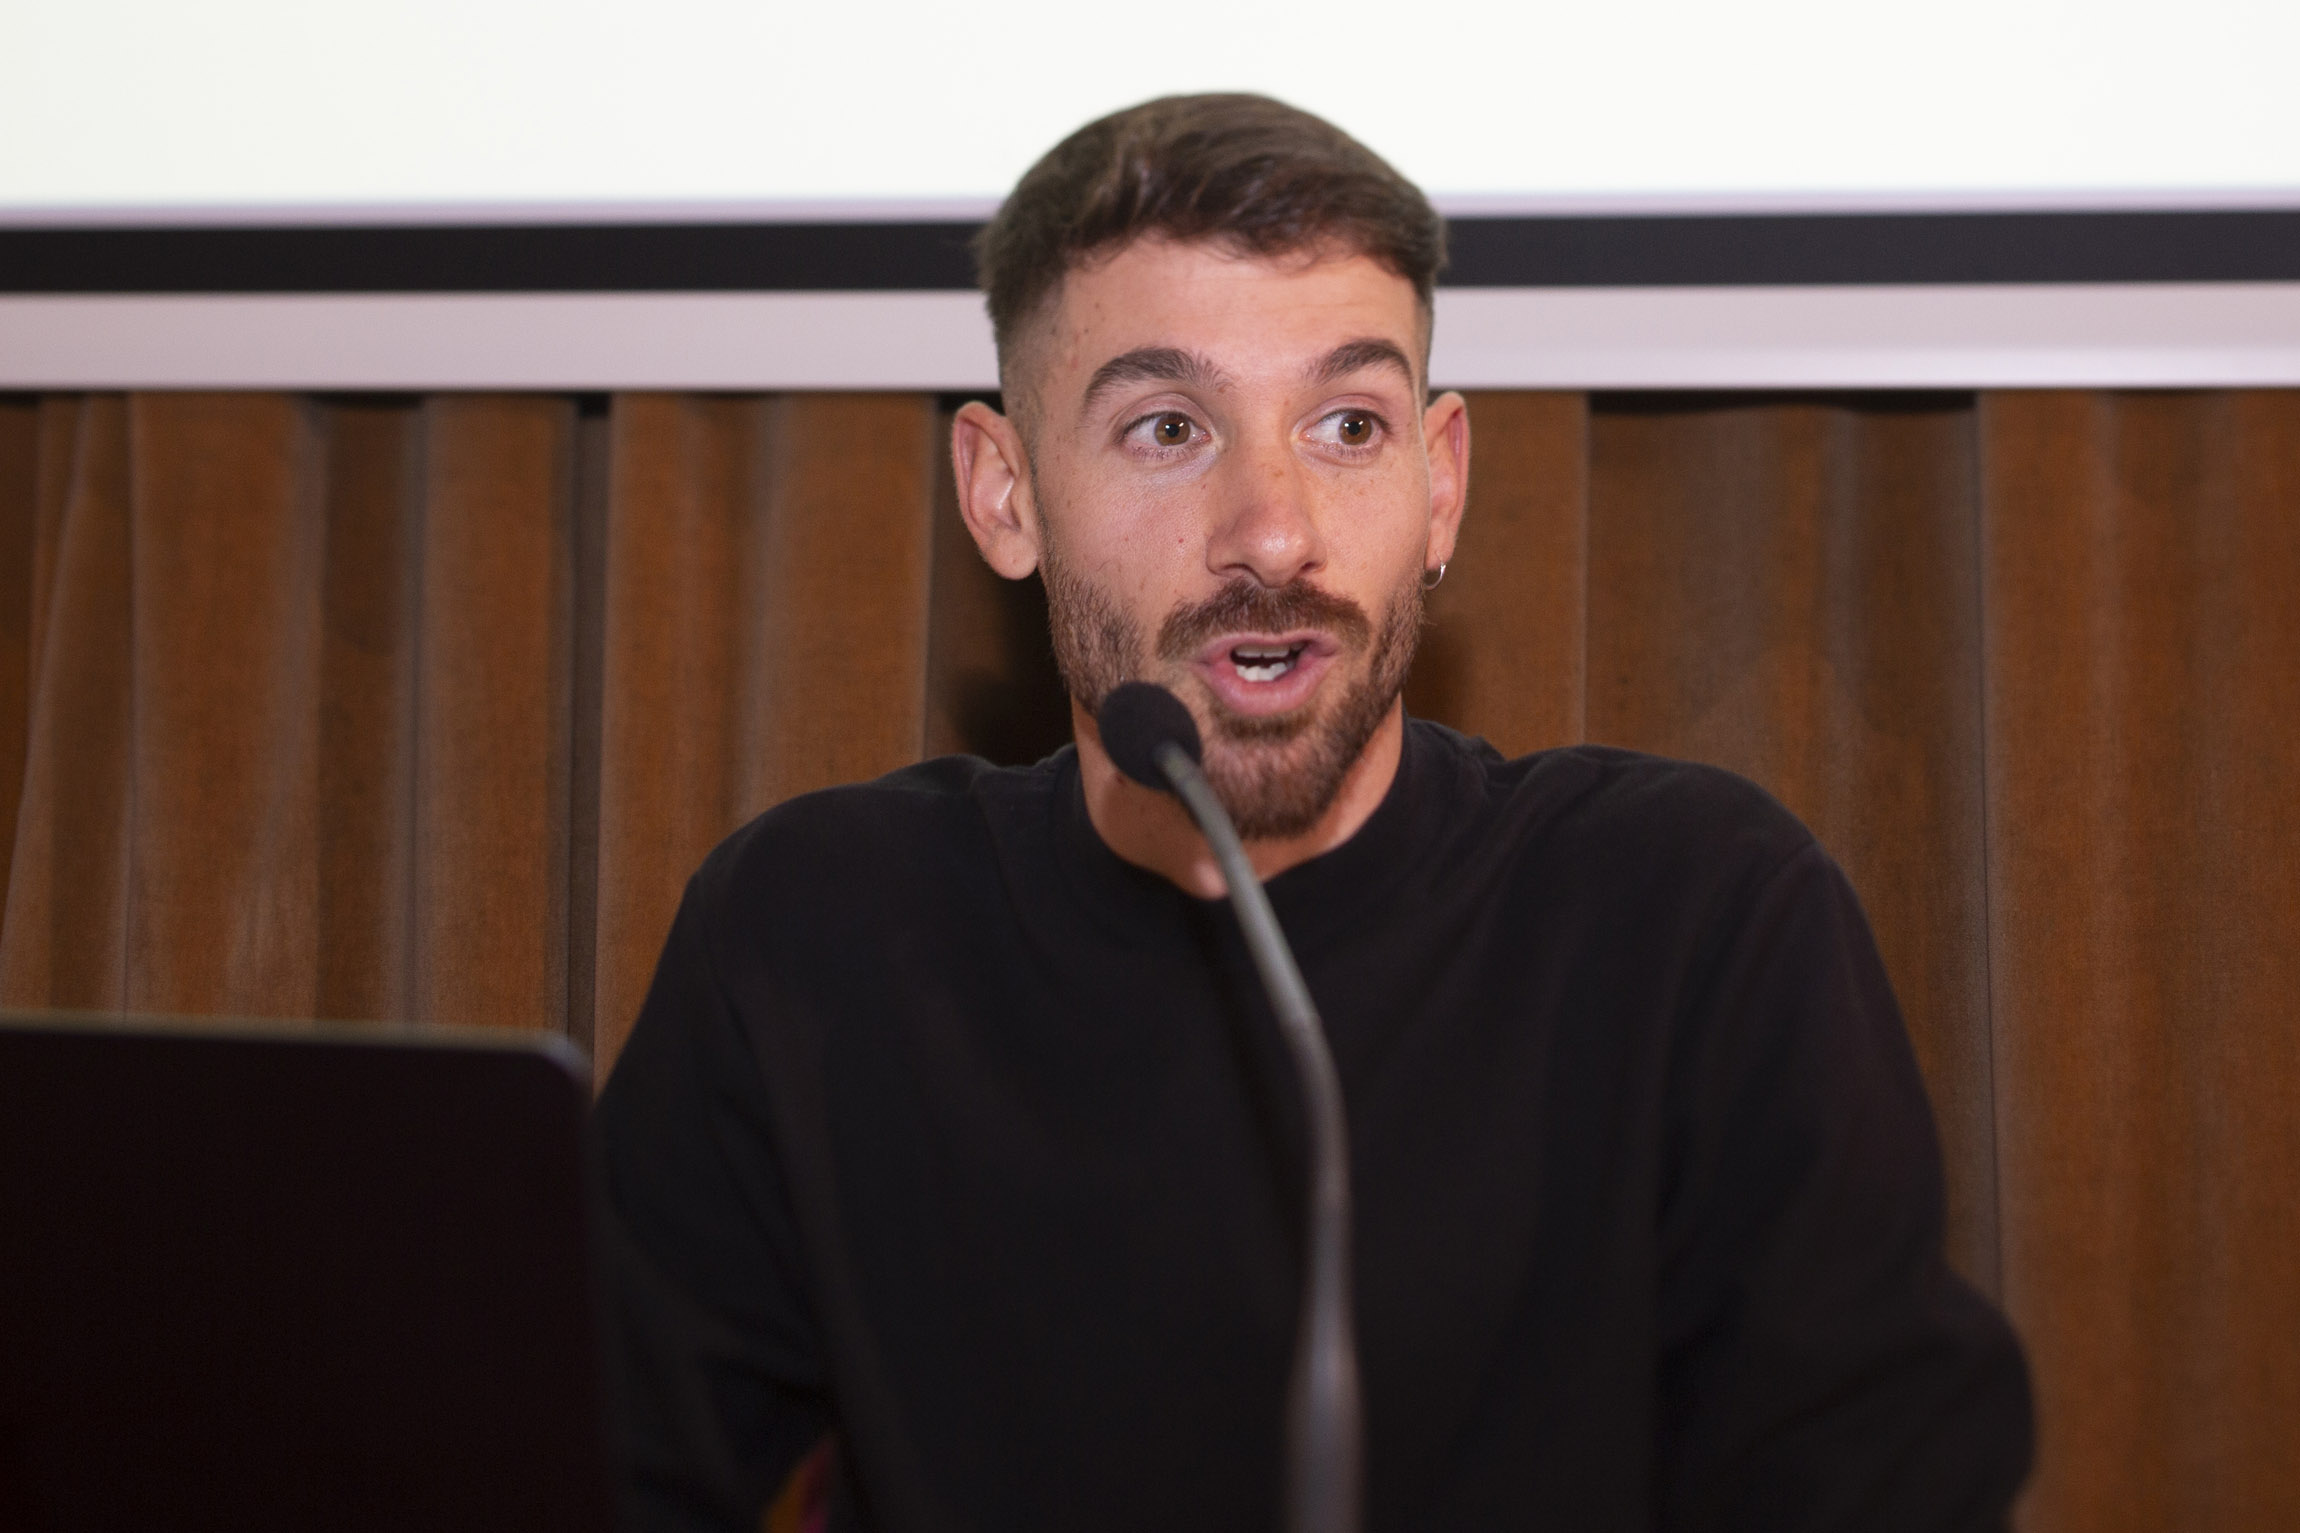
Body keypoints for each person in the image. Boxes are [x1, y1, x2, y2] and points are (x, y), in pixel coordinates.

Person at [593, 94, 2032, 1532]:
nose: (1275, 533)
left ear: (1440, 482)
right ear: (1005, 493)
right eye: (1169, 428)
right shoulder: (817, 940)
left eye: (1348, 425)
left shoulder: (1693, 921)